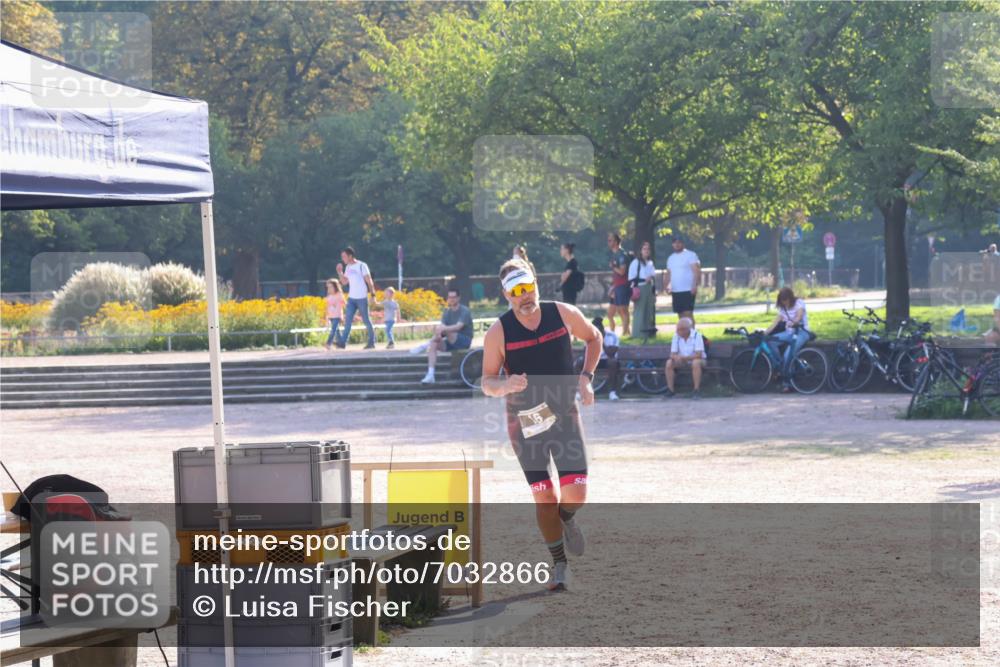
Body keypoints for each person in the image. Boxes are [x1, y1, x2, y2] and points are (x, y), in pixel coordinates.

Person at [480, 258, 602, 591]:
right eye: (515, 290)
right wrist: (505, 386)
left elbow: (594, 338)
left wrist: (586, 378)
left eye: (527, 286)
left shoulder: (562, 313)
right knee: (544, 496)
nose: (524, 295)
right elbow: (487, 382)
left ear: (535, 283)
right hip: (525, 423)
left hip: (563, 414)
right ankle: (559, 564)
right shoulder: (498, 332)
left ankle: (567, 517)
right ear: (506, 295)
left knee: (576, 492)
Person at [419, 288, 474, 384]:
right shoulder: (446, 311)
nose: (451, 299)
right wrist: (439, 332)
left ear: (458, 298)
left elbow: (458, 327)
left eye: (454, 297)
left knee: (445, 330)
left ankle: (425, 345)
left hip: (464, 341)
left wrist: (442, 329)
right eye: (450, 297)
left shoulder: (464, 310)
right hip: (450, 341)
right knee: (434, 344)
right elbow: (442, 327)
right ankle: (430, 374)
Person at [764, 287, 811, 392]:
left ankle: (787, 383)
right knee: (770, 341)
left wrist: (795, 322)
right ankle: (781, 364)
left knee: (787, 355)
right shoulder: (783, 308)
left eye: (786, 300)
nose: (784, 303)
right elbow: (775, 323)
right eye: (782, 301)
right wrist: (765, 333)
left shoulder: (799, 303)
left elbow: (799, 315)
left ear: (790, 298)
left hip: (801, 332)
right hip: (789, 333)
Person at [335, 246, 377, 350]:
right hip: (351, 298)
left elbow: (369, 281)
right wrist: (340, 272)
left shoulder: (362, 265)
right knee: (348, 321)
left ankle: (371, 342)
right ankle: (343, 343)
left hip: (362, 298)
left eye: (344, 256)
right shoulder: (348, 267)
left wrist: (373, 295)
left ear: (350, 256)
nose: (343, 259)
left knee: (366, 320)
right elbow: (344, 282)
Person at [665, 317, 706, 398]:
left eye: (681, 329)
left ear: (687, 329)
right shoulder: (676, 336)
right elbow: (672, 354)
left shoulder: (697, 335)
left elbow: (699, 355)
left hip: (699, 360)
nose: (678, 331)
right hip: (682, 361)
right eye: (677, 329)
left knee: (695, 363)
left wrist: (683, 358)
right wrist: (676, 357)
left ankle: (696, 390)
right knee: (669, 363)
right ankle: (670, 390)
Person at [664, 235, 701, 325]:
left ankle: (692, 332)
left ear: (683, 244)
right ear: (672, 244)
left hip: (688, 290)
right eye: (675, 242)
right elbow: (668, 274)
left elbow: (696, 271)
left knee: (688, 314)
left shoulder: (690, 255)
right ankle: (684, 332)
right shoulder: (671, 258)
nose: (677, 244)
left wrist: (694, 285)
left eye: (679, 242)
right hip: (676, 290)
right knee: (680, 315)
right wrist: (667, 286)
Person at [628, 241, 657, 339]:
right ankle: (637, 334)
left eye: (648, 249)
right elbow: (631, 278)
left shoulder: (650, 263)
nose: (646, 251)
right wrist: (644, 280)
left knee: (648, 311)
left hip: (649, 288)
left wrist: (653, 290)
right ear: (640, 251)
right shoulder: (636, 262)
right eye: (644, 249)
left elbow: (653, 276)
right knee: (640, 311)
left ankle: (647, 334)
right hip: (640, 288)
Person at [591, 316, 622, 401]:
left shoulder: (612, 336)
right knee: (579, 363)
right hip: (594, 360)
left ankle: (612, 392)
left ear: (602, 329)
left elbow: (611, 354)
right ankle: (579, 392)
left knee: (612, 362)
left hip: (607, 360)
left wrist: (601, 340)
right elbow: (586, 352)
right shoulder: (590, 335)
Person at [606, 232, 630, 335]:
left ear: (616, 242)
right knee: (613, 313)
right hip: (617, 286)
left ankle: (625, 333)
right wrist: (612, 287)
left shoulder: (621, 255)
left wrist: (613, 267)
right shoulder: (614, 255)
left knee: (623, 310)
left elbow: (622, 272)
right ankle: (617, 333)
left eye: (610, 240)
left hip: (623, 285)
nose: (608, 242)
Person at [323, 279, 345, 352]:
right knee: (337, 330)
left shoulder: (339, 295)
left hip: (337, 315)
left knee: (333, 330)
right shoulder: (329, 296)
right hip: (331, 316)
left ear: (335, 287)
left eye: (331, 287)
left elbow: (344, 303)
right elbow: (327, 307)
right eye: (328, 287)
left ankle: (328, 343)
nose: (329, 289)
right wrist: (327, 316)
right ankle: (341, 344)